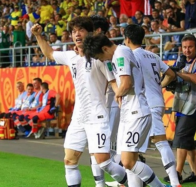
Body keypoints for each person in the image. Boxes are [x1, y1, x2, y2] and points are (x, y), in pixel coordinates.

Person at [31, 16, 128, 187]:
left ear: (90, 33)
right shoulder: (71, 56)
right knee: (69, 160)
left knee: (103, 162)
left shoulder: (100, 58)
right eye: (74, 31)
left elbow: (113, 83)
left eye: (81, 30)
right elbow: (50, 53)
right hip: (78, 117)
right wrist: (39, 36)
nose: (77, 34)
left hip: (97, 116)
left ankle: (133, 183)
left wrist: (120, 97)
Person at [82, 33, 168, 187]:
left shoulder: (121, 53)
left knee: (129, 162)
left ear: (105, 48)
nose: (101, 60)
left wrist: (118, 94)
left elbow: (126, 83)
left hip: (137, 112)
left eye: (100, 56)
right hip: (129, 113)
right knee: (127, 161)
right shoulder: (118, 54)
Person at [123, 24, 180, 187]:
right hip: (156, 101)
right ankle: (135, 181)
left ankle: (175, 182)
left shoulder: (131, 56)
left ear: (127, 39)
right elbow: (171, 74)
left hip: (146, 104)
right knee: (134, 146)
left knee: (160, 142)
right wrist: (159, 86)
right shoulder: (152, 55)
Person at [164, 34, 196, 184]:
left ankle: (177, 173)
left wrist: (177, 73)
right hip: (181, 106)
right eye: (184, 47)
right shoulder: (180, 61)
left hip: (193, 107)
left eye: (190, 47)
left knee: (181, 139)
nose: (187, 50)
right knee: (188, 143)